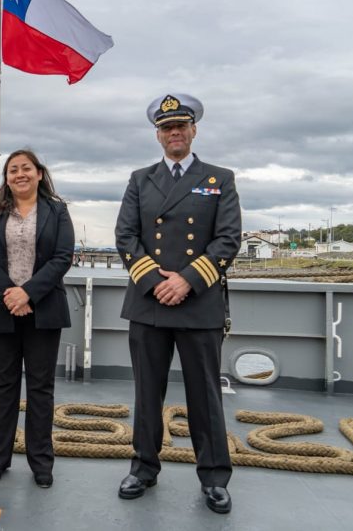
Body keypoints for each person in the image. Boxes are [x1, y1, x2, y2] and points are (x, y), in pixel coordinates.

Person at [114, 93, 241, 514]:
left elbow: (227, 240)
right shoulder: (140, 179)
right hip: (150, 302)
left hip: (197, 301)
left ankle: (214, 477)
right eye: (167, 128)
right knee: (147, 392)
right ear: (158, 135)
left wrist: (186, 281)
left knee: (204, 394)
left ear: (193, 131)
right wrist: (155, 281)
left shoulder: (219, 179)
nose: (174, 133)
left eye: (181, 126)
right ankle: (143, 467)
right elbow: (126, 237)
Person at [0, 149, 74, 489]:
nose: (20, 174)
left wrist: (28, 293)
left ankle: (41, 462)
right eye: (13, 170)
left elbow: (62, 257)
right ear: (6, 178)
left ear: (39, 174)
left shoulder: (57, 211)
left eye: (26, 168)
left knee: (40, 388)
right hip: (2, 309)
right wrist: (11, 294)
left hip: (43, 310)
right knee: (3, 387)